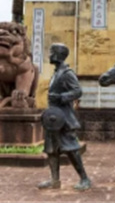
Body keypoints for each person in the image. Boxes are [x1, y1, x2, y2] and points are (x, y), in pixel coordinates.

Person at [37, 43, 91, 191]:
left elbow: (77, 91)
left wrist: (61, 97)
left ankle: (85, 179)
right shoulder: (56, 72)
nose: (49, 55)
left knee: (71, 149)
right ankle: (54, 180)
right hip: (53, 119)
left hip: (64, 118)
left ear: (58, 55)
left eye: (52, 52)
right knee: (52, 150)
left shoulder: (67, 73)